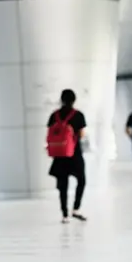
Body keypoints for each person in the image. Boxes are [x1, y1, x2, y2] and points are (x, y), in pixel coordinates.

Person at [47, 89, 88, 223]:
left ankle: (64, 214)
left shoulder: (54, 115)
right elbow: (81, 134)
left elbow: (50, 133)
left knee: (63, 185)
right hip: (74, 153)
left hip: (59, 156)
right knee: (81, 180)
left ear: (61, 100)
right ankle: (75, 209)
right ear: (74, 100)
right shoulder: (78, 115)